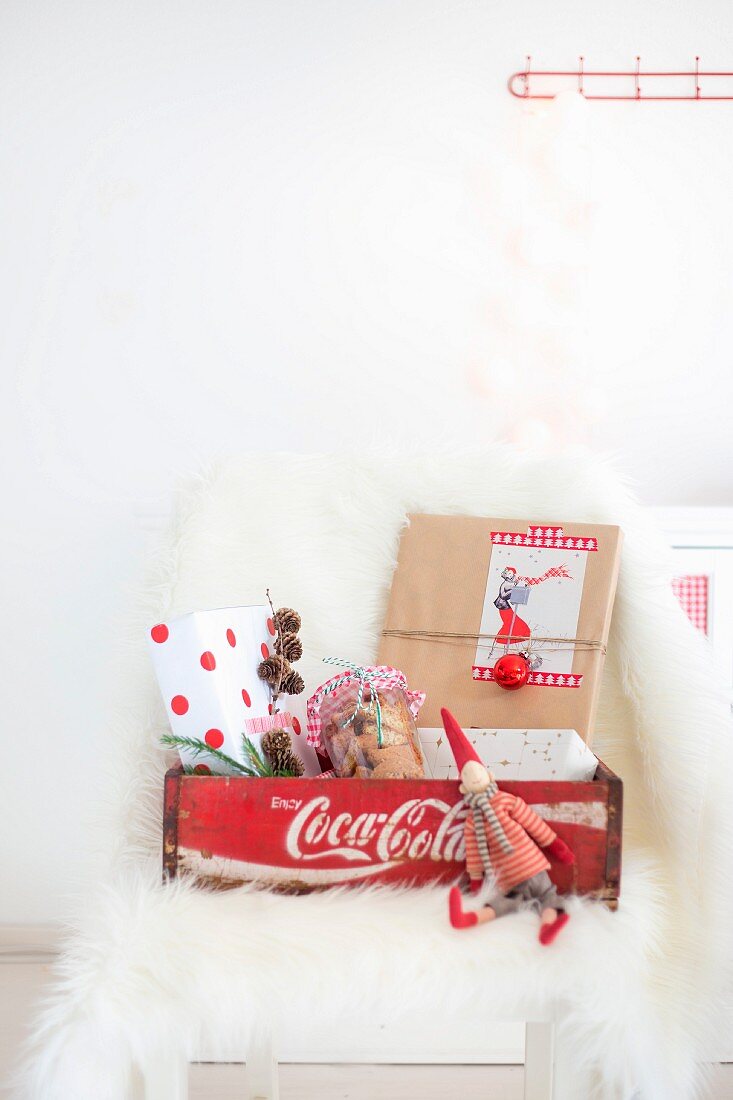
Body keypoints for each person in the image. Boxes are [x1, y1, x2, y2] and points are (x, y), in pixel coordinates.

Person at [441, 708, 575, 945]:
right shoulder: (496, 806)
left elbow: (476, 853)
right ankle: (546, 924)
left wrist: (476, 880)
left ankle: (472, 918)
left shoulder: (479, 815)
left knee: (505, 903)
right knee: (547, 897)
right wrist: (556, 845)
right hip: (531, 864)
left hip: (508, 874)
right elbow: (533, 824)